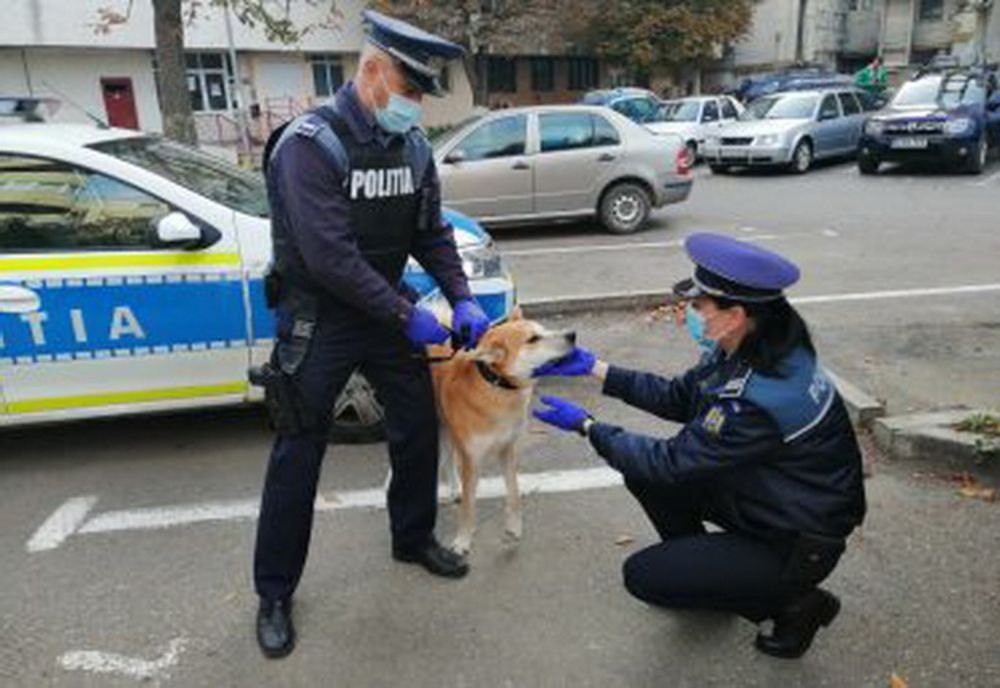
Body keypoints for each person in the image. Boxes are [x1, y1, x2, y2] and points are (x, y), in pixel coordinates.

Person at [252, 10, 491, 659]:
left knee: (416, 427)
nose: (415, 106)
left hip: (385, 313)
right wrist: (406, 315)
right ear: (372, 72)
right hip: (320, 319)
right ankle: (274, 592)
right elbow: (329, 257)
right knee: (298, 451)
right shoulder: (309, 145)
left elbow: (430, 232)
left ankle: (412, 537)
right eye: (409, 91)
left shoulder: (410, 147)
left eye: (421, 95)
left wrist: (461, 297)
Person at [532, 233, 866, 659]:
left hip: (800, 536)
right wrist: (596, 369)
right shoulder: (754, 346)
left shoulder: (757, 397)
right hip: (772, 499)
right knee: (640, 469)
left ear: (735, 315)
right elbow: (678, 398)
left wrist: (587, 426)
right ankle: (713, 575)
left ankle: (797, 603)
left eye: (699, 305)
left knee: (644, 575)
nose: (690, 312)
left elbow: (670, 462)